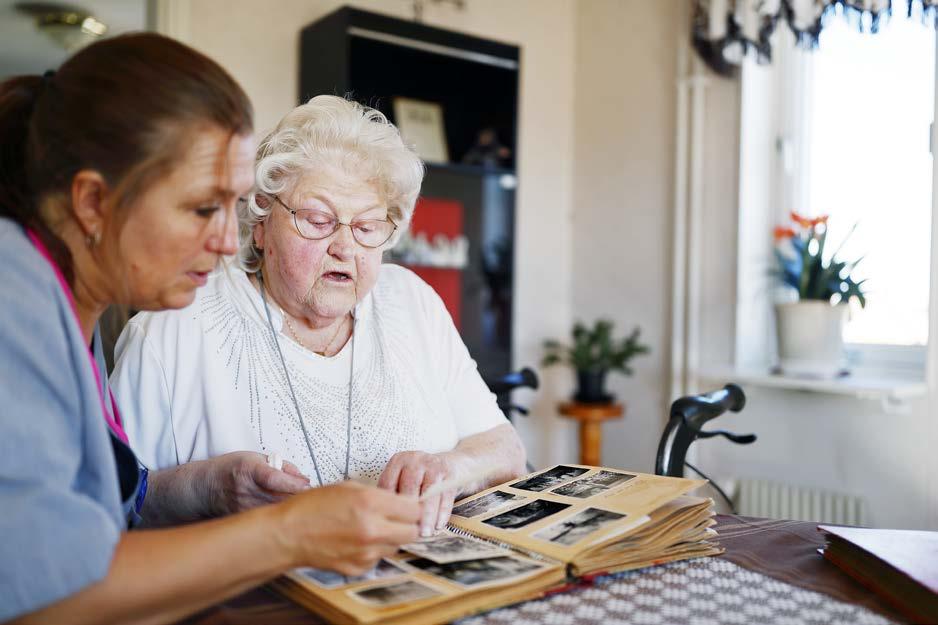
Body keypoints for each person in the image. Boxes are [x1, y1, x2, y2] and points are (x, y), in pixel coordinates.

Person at [0, 34, 422, 624]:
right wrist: (288, 533)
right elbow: (44, 591)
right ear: (93, 202)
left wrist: (208, 487)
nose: (228, 239)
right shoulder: (11, 303)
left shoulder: (71, 304)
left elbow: (95, 509)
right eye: (203, 208)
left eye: (234, 205)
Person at [111, 95, 527, 537]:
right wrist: (206, 488)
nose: (345, 248)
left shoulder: (410, 301)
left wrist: (449, 469)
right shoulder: (171, 329)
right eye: (316, 219)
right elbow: (107, 510)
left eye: (367, 227)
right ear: (261, 221)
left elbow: (506, 450)